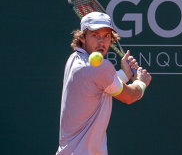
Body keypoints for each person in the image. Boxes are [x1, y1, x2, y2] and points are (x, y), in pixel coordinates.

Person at [56, 12, 152, 155]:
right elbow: (129, 96)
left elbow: (100, 86)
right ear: (82, 37)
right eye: (95, 35)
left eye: (106, 36)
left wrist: (124, 74)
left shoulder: (73, 59)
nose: (101, 41)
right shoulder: (99, 67)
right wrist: (141, 82)